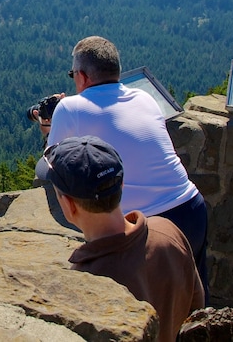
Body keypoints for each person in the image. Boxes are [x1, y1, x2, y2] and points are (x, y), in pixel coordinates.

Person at [34, 35, 210, 301]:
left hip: (141, 228)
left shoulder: (70, 108)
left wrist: (48, 128)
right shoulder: (145, 98)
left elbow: (54, 166)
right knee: (191, 303)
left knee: (143, 314)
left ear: (81, 76)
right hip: (191, 208)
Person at [38, 135, 204, 341]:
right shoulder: (167, 232)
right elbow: (197, 307)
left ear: (69, 206)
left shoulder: (86, 280)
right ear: (122, 185)